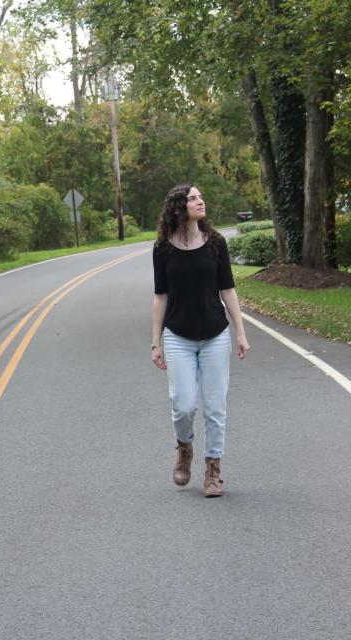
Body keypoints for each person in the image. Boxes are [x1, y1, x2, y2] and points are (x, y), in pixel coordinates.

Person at [150, 184, 250, 497]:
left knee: (215, 407)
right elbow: (160, 297)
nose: (200, 201)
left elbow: (228, 290)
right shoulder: (163, 249)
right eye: (192, 198)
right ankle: (185, 448)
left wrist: (240, 332)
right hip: (178, 336)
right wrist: (156, 342)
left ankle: (213, 471)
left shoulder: (216, 243)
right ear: (178, 207)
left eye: (201, 197)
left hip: (215, 336)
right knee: (182, 405)